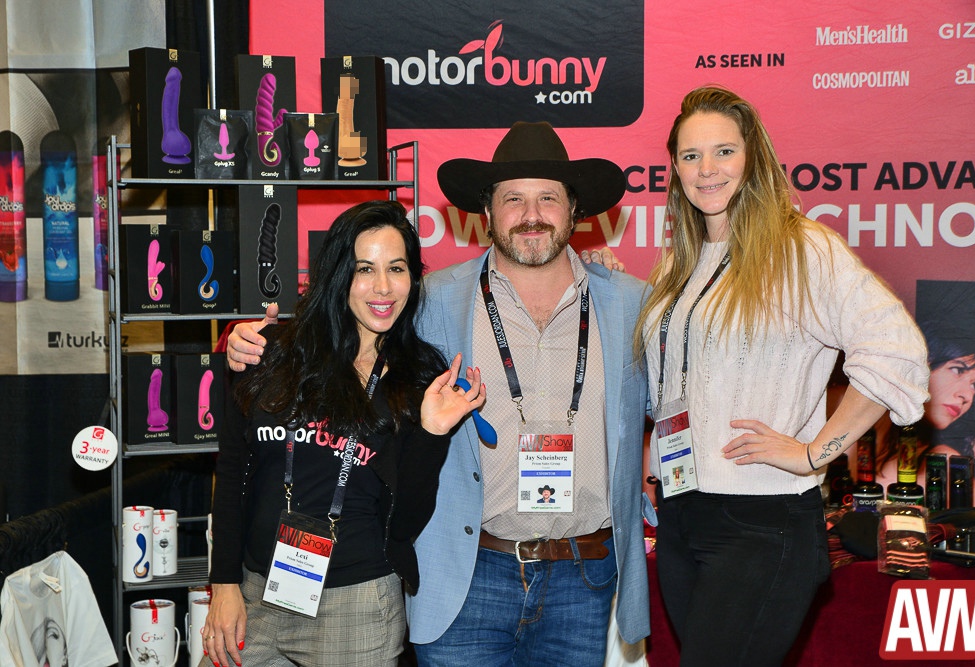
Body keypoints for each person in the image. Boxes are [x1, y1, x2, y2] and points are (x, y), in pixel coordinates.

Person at [226, 121, 652, 665]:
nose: (532, 214)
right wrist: (246, 342)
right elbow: (338, 329)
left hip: (583, 580)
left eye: (548, 198)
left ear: (575, 210)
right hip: (466, 576)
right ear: (486, 211)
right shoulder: (429, 300)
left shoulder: (630, 304)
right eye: (513, 199)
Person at [636, 86, 929, 666]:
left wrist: (817, 451)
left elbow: (896, 352)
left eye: (724, 151)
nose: (707, 169)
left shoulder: (802, 250)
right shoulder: (678, 265)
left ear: (754, 159)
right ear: (676, 169)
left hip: (761, 521)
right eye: (691, 155)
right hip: (680, 513)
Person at [202, 200, 485, 667]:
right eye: (364, 269)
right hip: (254, 595)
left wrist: (432, 433)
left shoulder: (420, 378)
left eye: (396, 268)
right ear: (337, 274)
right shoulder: (267, 352)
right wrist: (224, 584)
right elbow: (232, 472)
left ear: (413, 278)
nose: (383, 286)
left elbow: (406, 522)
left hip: (356, 609)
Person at [875, 319, 975, 503]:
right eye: (957, 370)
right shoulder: (873, 431)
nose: (967, 395)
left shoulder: (945, 460)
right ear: (921, 365)